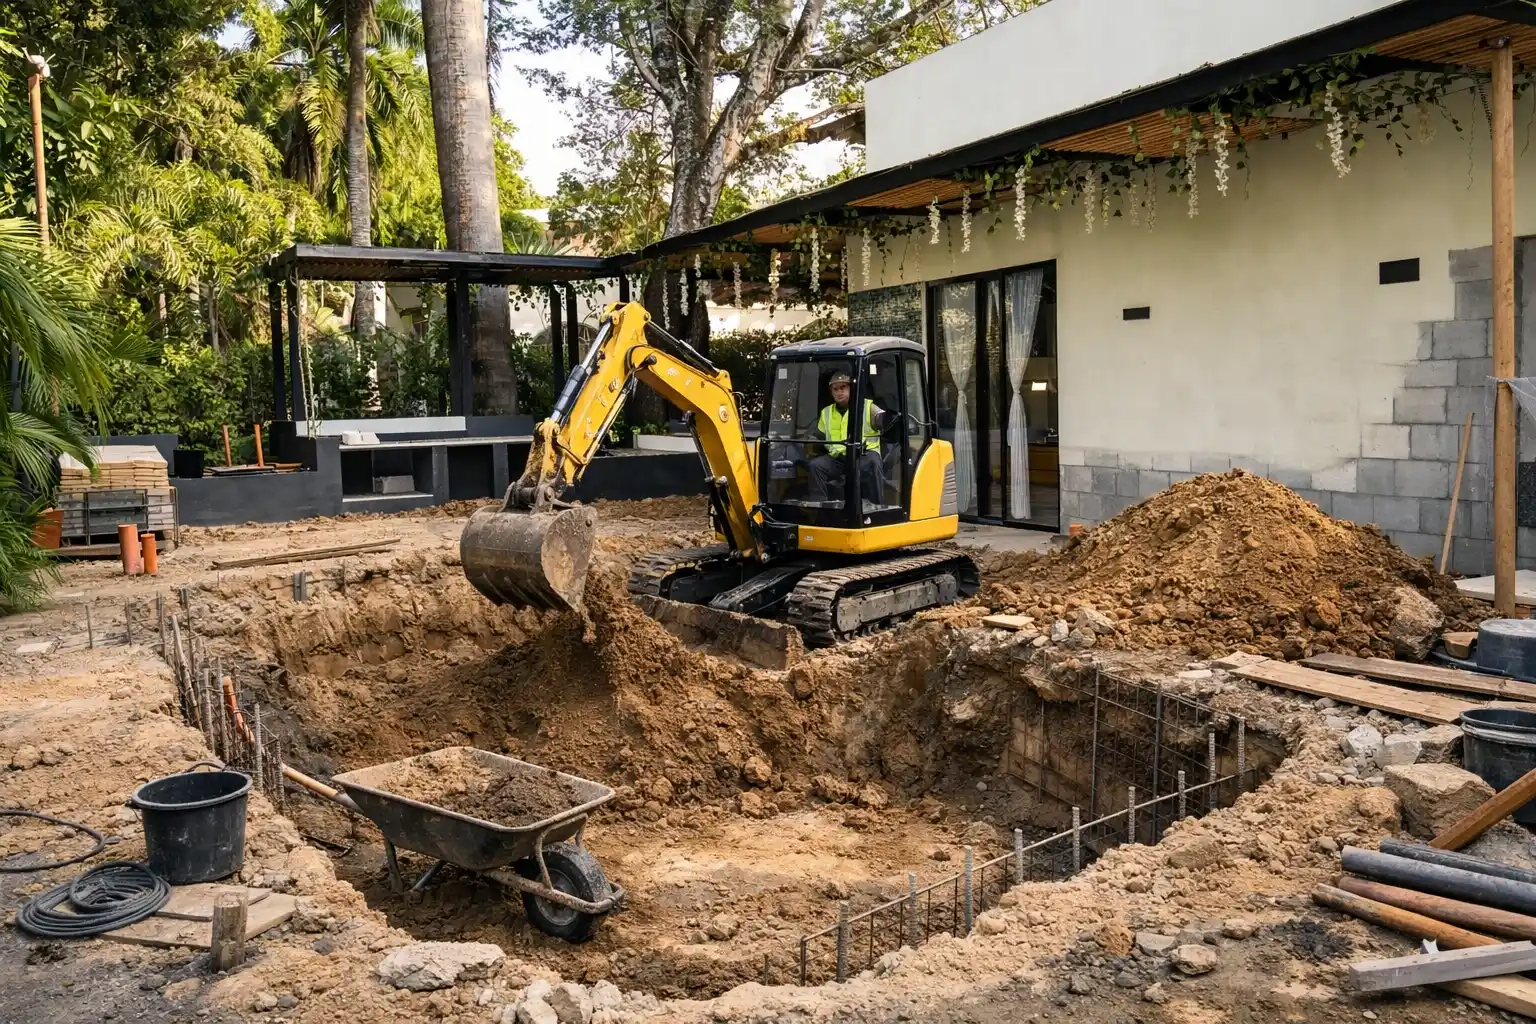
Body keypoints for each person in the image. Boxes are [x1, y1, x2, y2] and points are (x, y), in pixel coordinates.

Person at [808, 372, 888, 505]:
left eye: (843, 387)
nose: (839, 392)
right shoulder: (826, 412)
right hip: (837, 458)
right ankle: (819, 506)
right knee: (816, 466)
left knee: (873, 464)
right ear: (831, 392)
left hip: (864, 455)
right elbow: (818, 435)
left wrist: (884, 419)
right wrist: (811, 439)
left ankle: (876, 506)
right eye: (835, 389)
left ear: (851, 388)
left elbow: (885, 421)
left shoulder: (867, 407)